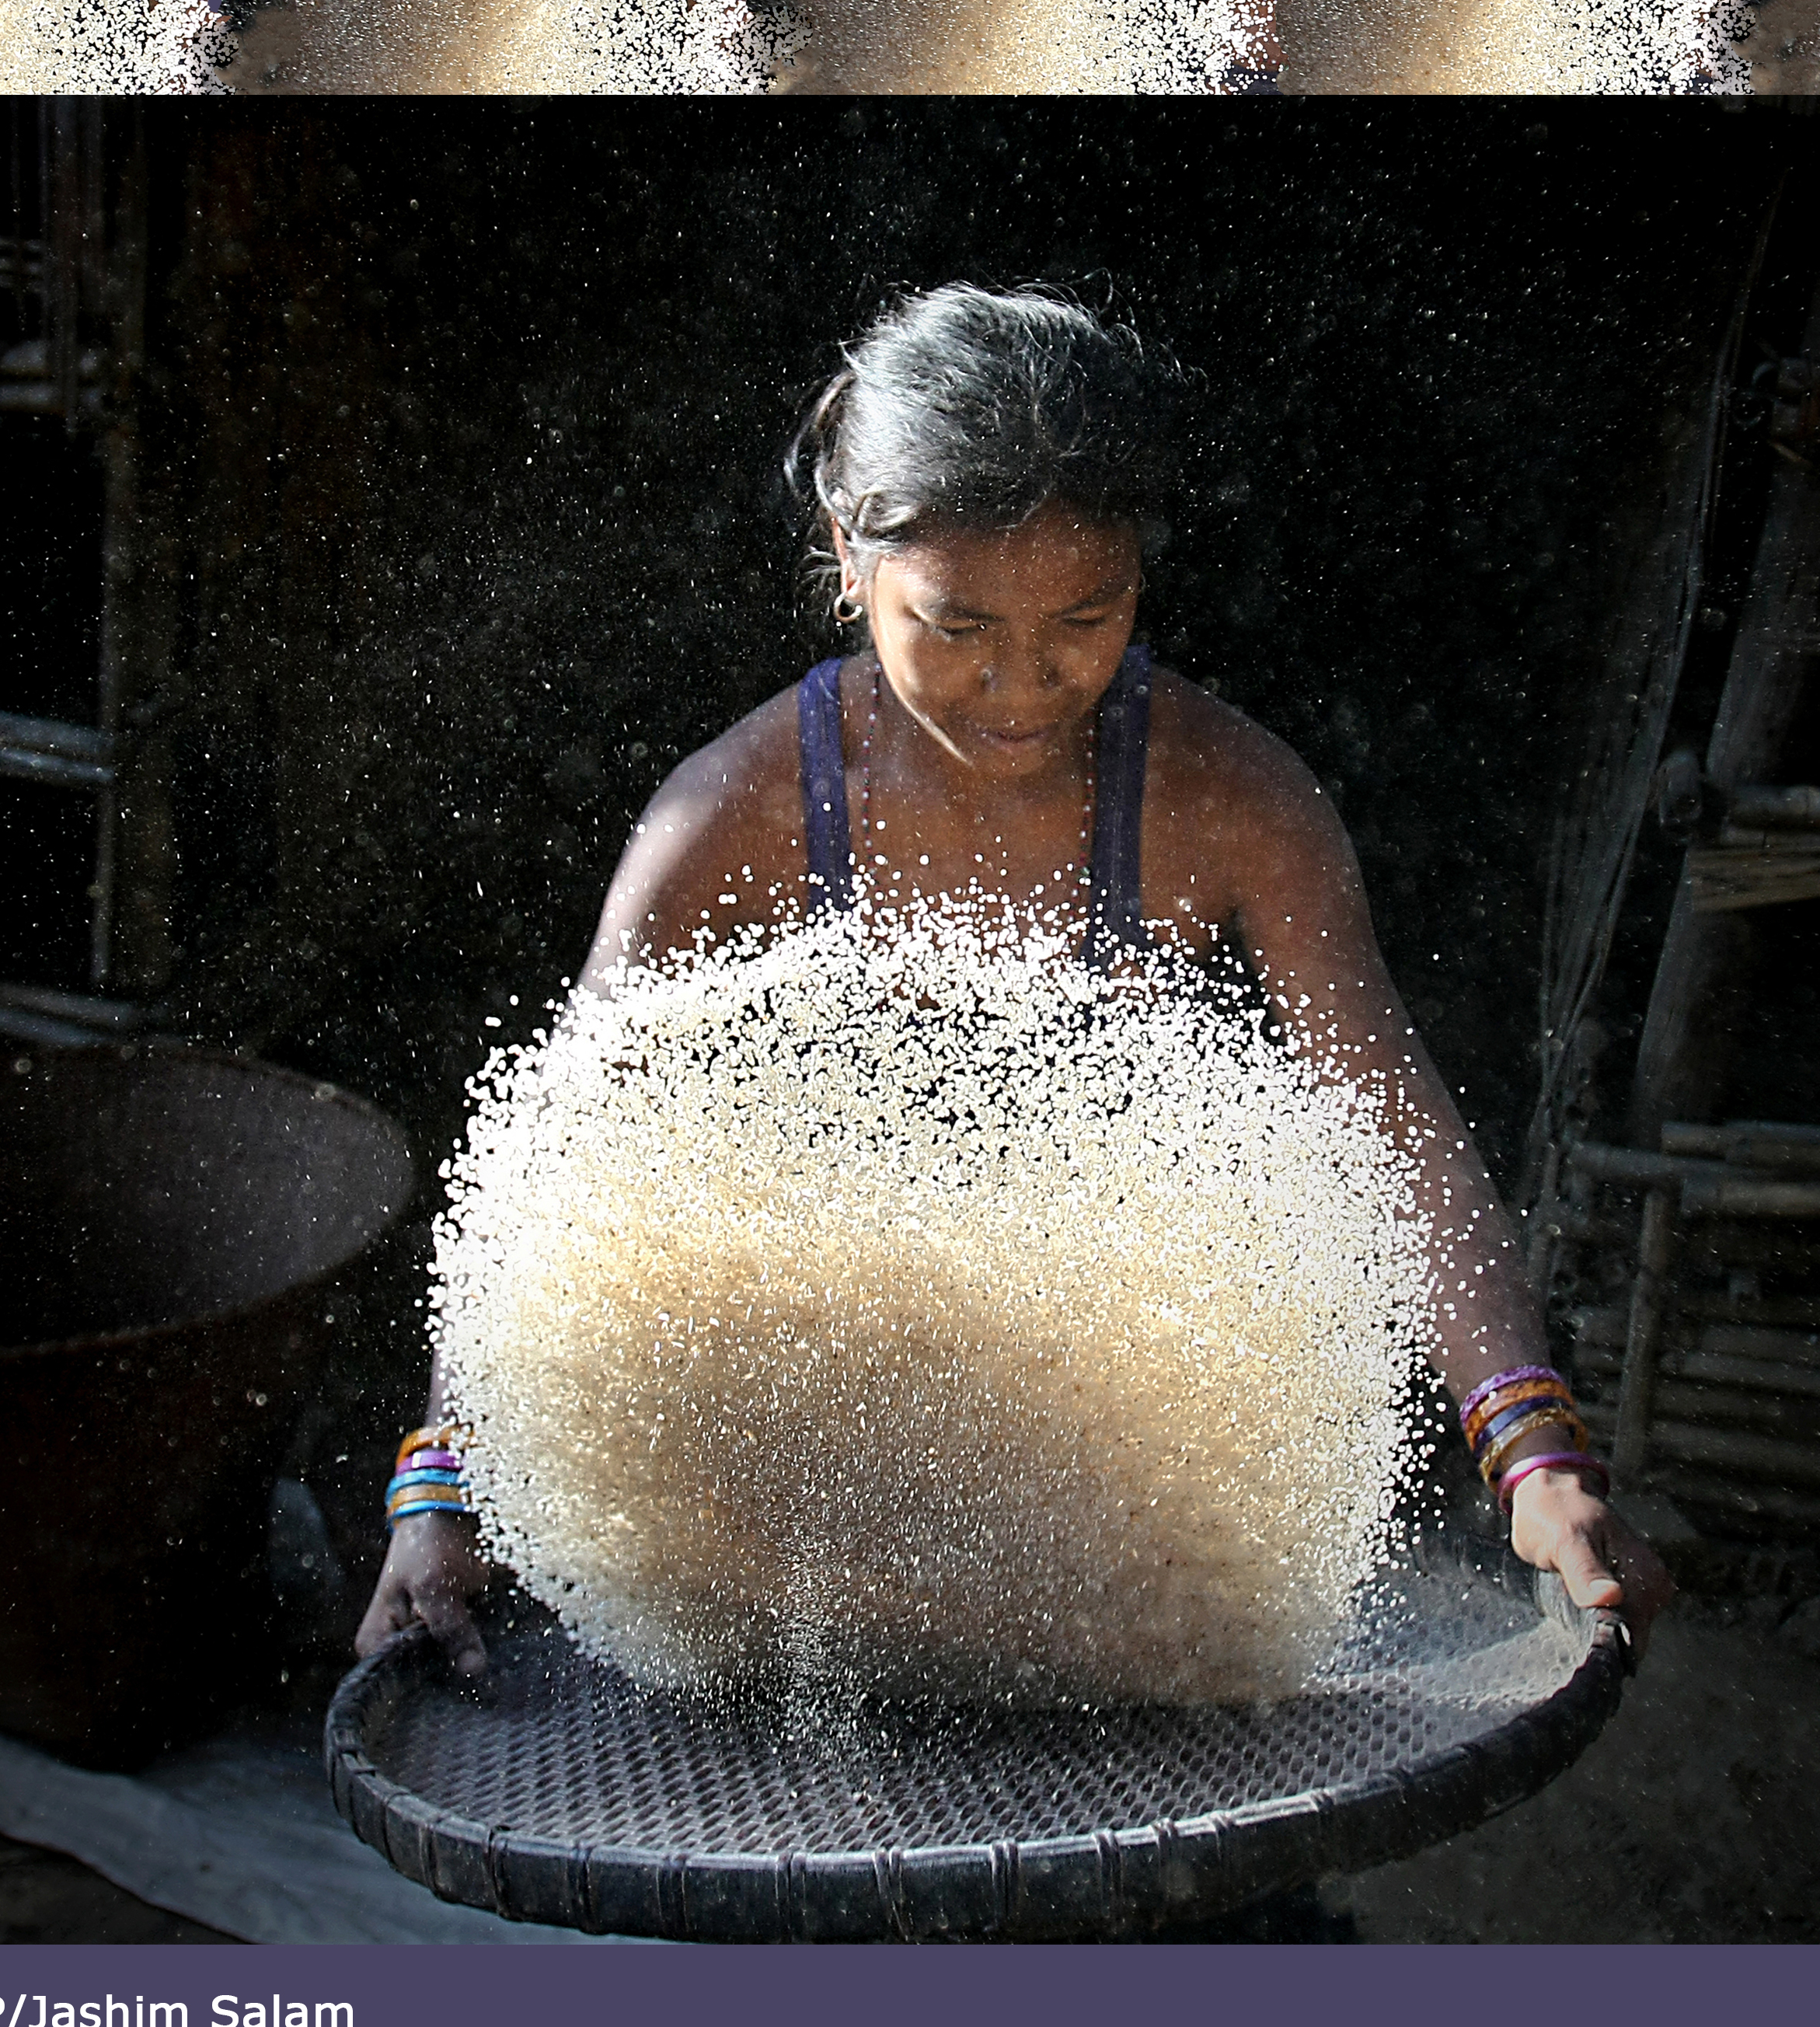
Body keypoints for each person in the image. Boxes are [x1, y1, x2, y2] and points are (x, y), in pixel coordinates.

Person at [357, 281, 1673, 1678]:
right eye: (958, 626)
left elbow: (1389, 1128)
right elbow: (554, 1180)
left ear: (1141, 585)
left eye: (1083, 623)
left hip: (1109, 1462)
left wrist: (1530, 1450)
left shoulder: (1226, 801)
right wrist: (436, 1497)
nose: (1024, 686)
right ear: (846, 554)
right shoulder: (734, 814)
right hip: (813, 1463)